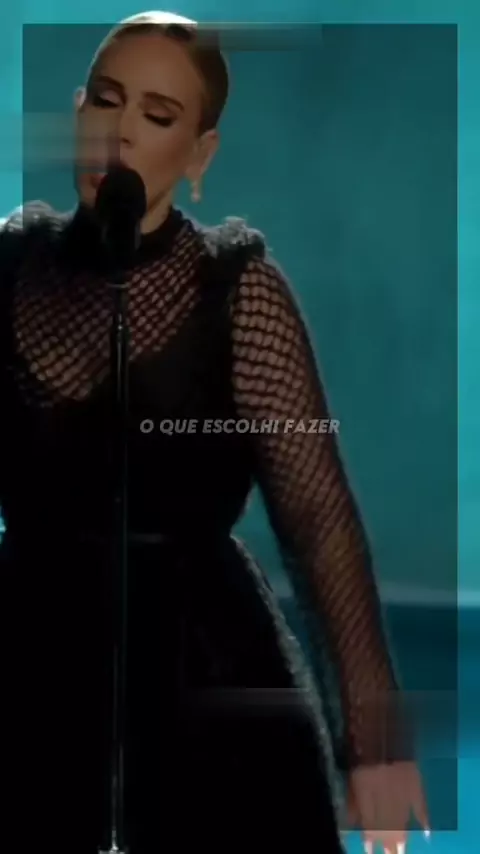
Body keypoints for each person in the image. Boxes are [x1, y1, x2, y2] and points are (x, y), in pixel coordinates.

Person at [0, 11, 429, 853]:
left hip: (206, 682)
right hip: (30, 667)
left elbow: (320, 522)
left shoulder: (237, 296)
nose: (121, 132)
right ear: (79, 111)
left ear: (198, 155)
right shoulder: (11, 269)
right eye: (107, 101)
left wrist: (373, 741)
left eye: (158, 115)